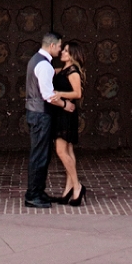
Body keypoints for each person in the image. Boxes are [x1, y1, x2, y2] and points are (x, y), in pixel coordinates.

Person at [24, 32, 75, 209]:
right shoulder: (44, 65)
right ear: (52, 46)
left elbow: (48, 77)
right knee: (39, 155)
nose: (60, 49)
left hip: (35, 113)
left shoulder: (36, 60)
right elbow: (48, 96)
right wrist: (65, 104)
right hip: (40, 114)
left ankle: (38, 191)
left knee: (41, 154)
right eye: (60, 46)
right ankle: (33, 195)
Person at [51, 40, 87, 206]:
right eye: (63, 50)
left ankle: (77, 186)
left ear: (72, 54)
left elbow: (77, 93)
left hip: (66, 114)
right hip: (61, 112)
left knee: (60, 151)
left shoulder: (73, 71)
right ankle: (68, 190)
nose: (63, 53)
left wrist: (60, 93)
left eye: (66, 51)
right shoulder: (63, 69)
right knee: (68, 149)